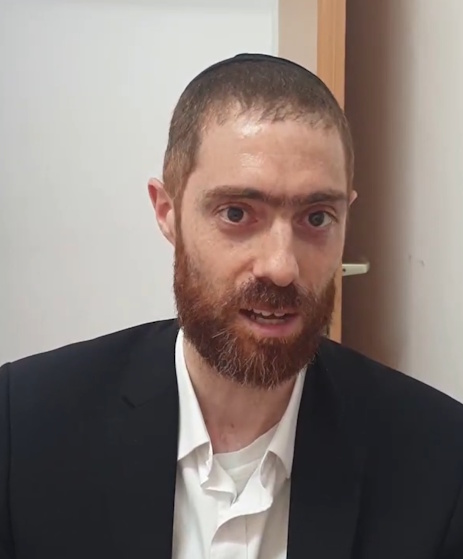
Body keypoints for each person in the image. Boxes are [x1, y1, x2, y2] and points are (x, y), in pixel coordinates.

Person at [1, 53, 462, 559]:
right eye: (237, 213)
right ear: (167, 212)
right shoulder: (23, 429)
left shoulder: (440, 461)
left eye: (316, 217)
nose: (281, 267)